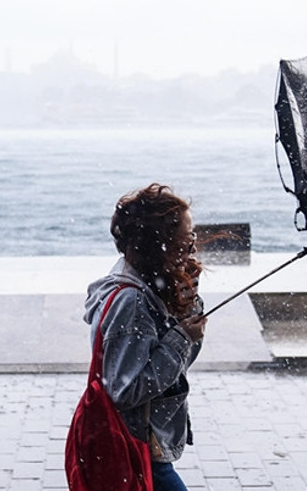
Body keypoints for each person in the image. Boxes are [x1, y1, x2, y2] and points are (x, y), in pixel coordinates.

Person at [82, 183, 207, 491]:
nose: (192, 248)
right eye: (185, 241)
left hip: (144, 445)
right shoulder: (132, 302)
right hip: (136, 446)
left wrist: (186, 303)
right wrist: (181, 337)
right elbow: (126, 389)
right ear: (159, 245)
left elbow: (179, 364)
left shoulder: (147, 285)